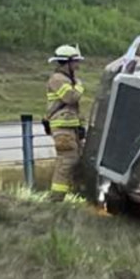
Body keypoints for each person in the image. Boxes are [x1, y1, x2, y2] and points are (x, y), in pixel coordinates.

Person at [44, 45, 85, 200]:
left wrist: (79, 126)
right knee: (67, 161)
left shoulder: (68, 80)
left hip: (70, 127)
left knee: (77, 160)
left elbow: (74, 108)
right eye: (75, 61)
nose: (78, 65)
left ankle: (78, 193)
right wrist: (79, 86)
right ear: (66, 62)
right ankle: (55, 198)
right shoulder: (57, 79)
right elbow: (70, 98)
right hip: (62, 128)